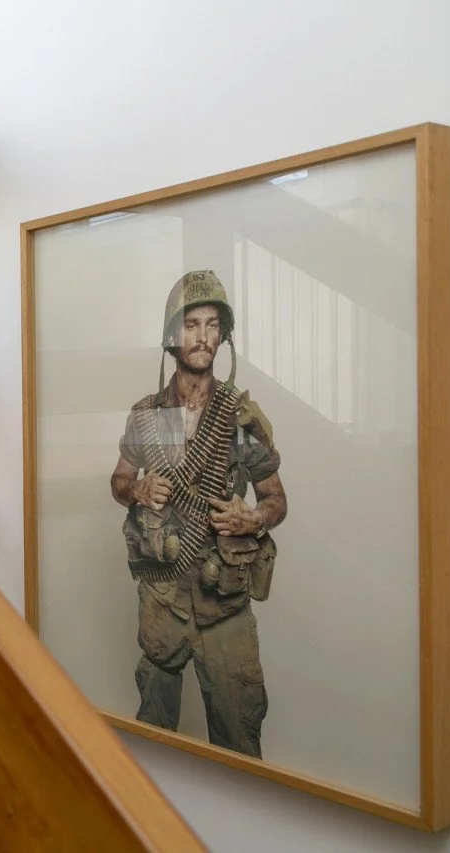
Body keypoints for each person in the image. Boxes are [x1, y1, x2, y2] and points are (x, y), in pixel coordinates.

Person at [109, 270, 287, 758]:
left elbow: (276, 498)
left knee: (239, 747)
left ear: (223, 335)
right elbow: (118, 482)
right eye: (191, 325)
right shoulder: (148, 415)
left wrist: (253, 518)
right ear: (173, 336)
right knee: (156, 740)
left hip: (224, 607)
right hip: (163, 596)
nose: (203, 337)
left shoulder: (240, 420)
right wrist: (139, 489)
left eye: (212, 325)